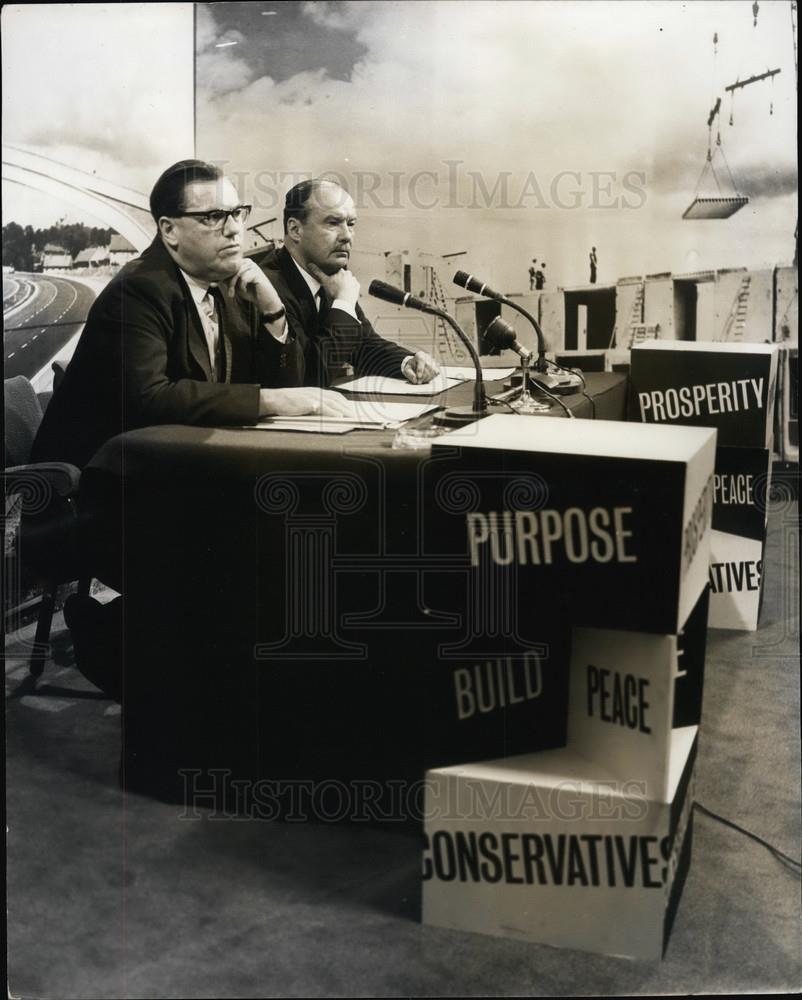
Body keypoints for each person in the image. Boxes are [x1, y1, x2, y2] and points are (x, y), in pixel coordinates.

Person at [32, 160, 352, 469]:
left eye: (237, 213)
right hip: (100, 483)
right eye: (213, 216)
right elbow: (150, 398)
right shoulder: (138, 289)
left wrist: (273, 312)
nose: (233, 230)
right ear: (169, 230)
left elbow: (291, 386)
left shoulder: (230, 281)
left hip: (177, 465)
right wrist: (267, 401)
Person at [254, 179, 439, 387]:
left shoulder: (329, 275)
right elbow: (308, 377)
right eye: (333, 223)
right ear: (295, 229)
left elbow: (362, 344)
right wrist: (343, 303)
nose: (347, 236)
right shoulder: (267, 285)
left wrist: (406, 362)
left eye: (351, 224)